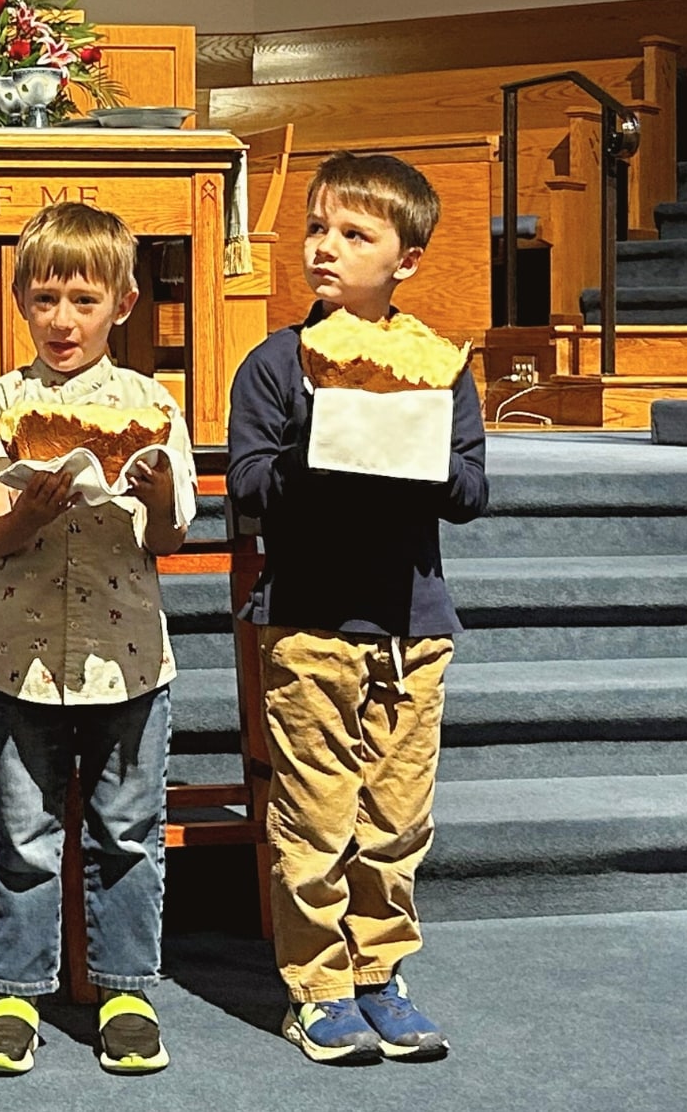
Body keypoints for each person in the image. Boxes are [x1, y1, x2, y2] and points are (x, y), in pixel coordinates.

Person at [225, 151, 489, 1066]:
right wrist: (325, 442)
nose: (325, 248)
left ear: (405, 260)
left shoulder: (435, 361)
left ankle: (379, 974)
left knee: (395, 820)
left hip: (413, 624)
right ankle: (318, 987)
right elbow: (250, 485)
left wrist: (406, 450)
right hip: (309, 621)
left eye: (354, 235)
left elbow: (468, 489)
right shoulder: (275, 363)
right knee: (313, 814)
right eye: (317, 229)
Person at [0, 201, 193, 1078]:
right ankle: (15, 990)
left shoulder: (152, 403)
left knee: (126, 830)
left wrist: (157, 487)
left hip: (123, 653)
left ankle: (127, 989)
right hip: (16, 656)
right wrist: (26, 510)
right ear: (19, 298)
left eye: (83, 300)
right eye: (45, 297)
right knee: (24, 833)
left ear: (121, 305)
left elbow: (166, 539)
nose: (63, 319)